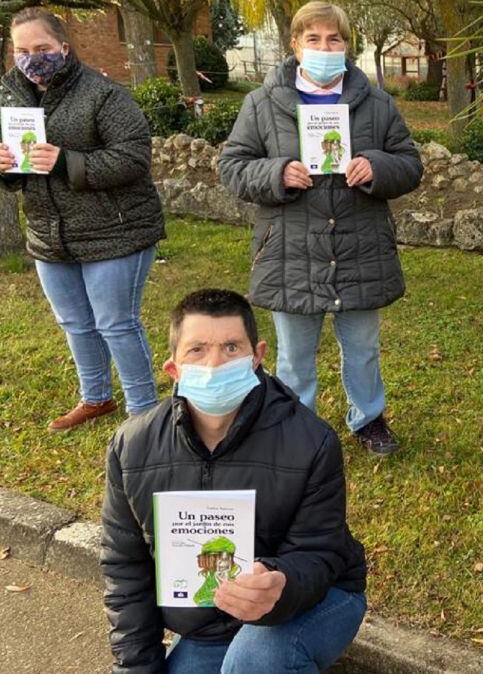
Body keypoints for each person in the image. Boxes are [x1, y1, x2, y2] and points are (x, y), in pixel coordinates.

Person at [101, 288, 367, 673]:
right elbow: (125, 569)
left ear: (257, 357)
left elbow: (321, 552)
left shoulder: (311, 440)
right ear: (173, 368)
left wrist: (282, 585)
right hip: (208, 625)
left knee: (256, 662)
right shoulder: (133, 447)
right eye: (197, 350)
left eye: (231, 348)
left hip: (315, 599)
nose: (214, 364)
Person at [219, 1, 423, 456]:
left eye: (334, 39)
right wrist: (276, 174)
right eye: (314, 39)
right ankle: (294, 425)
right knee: (293, 355)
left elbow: (410, 165)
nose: (324, 47)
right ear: (295, 44)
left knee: (363, 348)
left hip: (360, 248)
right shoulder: (261, 103)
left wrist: (376, 167)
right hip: (291, 250)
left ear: (347, 47)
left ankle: (368, 418)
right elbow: (232, 167)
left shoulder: (377, 104)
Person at [0, 8, 165, 431]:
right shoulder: (8, 93)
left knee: (116, 324)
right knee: (75, 322)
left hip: (115, 230)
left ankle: (144, 414)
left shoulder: (103, 93)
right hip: (50, 232)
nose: (31, 58)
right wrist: (0, 164)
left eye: (42, 48)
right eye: (22, 50)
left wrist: (67, 162)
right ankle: (96, 398)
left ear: (63, 47)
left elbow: (134, 156)